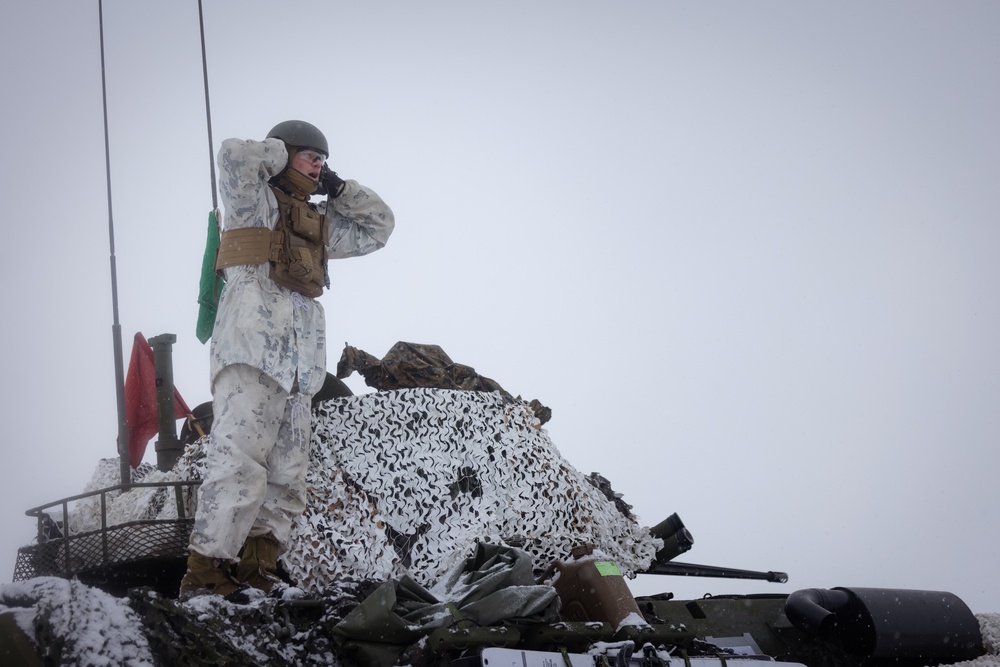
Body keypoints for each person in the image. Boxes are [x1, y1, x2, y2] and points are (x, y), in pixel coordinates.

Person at [180, 120, 395, 597]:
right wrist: (279, 152)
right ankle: (208, 571)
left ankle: (261, 568)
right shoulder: (251, 203)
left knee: (286, 476)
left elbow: (380, 228)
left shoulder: (317, 222)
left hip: (300, 366)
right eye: (310, 156)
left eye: (324, 159)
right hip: (253, 348)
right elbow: (234, 155)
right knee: (238, 459)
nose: (319, 165)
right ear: (284, 153)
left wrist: (340, 189)